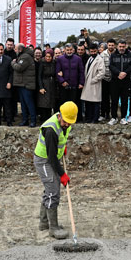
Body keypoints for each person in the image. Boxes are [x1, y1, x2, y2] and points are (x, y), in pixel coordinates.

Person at [34, 102, 78, 240]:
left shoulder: (66, 123)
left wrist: (62, 146)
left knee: (50, 190)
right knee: (53, 191)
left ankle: (44, 223)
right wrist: (62, 174)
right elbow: (52, 157)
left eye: (70, 123)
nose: (67, 125)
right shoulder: (51, 129)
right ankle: (53, 228)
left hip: (52, 158)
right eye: (65, 122)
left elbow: (60, 139)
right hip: (44, 161)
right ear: (60, 116)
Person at [107, 40, 131, 125]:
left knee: (124, 101)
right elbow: (111, 66)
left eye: (123, 47)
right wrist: (118, 73)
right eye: (120, 46)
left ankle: (123, 117)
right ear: (117, 46)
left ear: (126, 46)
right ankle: (113, 117)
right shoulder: (113, 55)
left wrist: (125, 73)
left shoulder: (130, 55)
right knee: (114, 100)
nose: (121, 48)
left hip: (126, 81)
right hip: (115, 80)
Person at [56, 43, 85, 122]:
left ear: (73, 50)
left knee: (74, 104)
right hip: (64, 85)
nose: (69, 51)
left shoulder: (78, 59)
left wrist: (81, 83)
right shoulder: (60, 59)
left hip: (74, 85)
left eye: (70, 50)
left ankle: (75, 119)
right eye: (67, 50)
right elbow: (57, 72)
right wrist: (62, 81)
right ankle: (63, 119)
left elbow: (81, 72)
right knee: (64, 103)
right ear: (64, 50)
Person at [11, 43, 37, 127]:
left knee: (29, 103)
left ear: (20, 49)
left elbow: (19, 68)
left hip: (26, 84)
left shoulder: (25, 57)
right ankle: (25, 120)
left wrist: (12, 63)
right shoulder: (23, 55)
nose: (14, 50)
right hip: (21, 84)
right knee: (23, 104)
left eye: (15, 49)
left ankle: (33, 120)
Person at [81, 42, 106, 123]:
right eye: (91, 51)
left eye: (94, 51)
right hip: (88, 84)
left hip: (94, 84)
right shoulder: (90, 58)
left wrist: (93, 80)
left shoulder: (100, 59)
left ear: (97, 50)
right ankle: (89, 118)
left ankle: (95, 119)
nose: (93, 53)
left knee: (95, 103)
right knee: (88, 102)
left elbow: (102, 73)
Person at [37, 50, 57, 120]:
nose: (48, 58)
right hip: (44, 84)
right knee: (43, 103)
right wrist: (41, 87)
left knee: (50, 103)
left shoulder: (54, 63)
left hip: (52, 85)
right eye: (47, 56)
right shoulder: (42, 63)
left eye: (50, 57)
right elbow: (39, 76)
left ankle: (49, 118)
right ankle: (43, 118)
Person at [99, 39, 115, 121]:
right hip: (105, 79)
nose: (111, 47)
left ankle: (111, 114)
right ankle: (103, 114)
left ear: (114, 45)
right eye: (109, 45)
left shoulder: (116, 54)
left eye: (112, 45)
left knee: (113, 98)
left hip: (114, 79)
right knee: (104, 98)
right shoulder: (102, 54)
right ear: (107, 45)